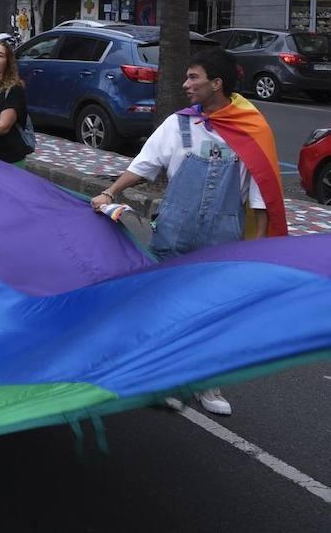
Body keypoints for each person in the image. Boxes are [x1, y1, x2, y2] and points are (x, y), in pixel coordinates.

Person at [90, 48, 280, 417]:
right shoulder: (178, 123)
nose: (186, 85)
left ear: (217, 83)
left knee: (210, 313)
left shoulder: (251, 126)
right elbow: (144, 165)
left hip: (222, 238)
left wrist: (255, 253)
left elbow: (261, 196)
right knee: (166, 309)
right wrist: (112, 191)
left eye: (193, 78)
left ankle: (206, 383)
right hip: (173, 232)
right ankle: (167, 380)